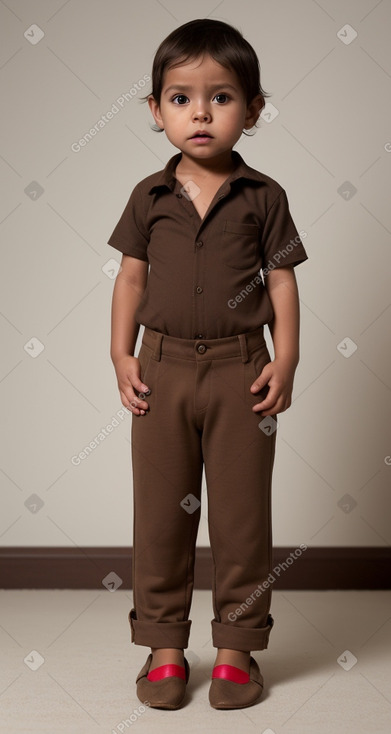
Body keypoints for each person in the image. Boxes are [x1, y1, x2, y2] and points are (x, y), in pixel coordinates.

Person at [107, 18, 308, 711]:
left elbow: (280, 283)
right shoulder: (148, 196)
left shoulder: (263, 196)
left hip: (239, 371)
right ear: (157, 109)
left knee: (241, 517)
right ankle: (163, 649)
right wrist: (118, 352)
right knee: (159, 514)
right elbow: (130, 279)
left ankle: (235, 650)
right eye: (181, 97)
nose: (200, 112)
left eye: (220, 97)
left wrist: (286, 359)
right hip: (161, 371)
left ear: (251, 110)